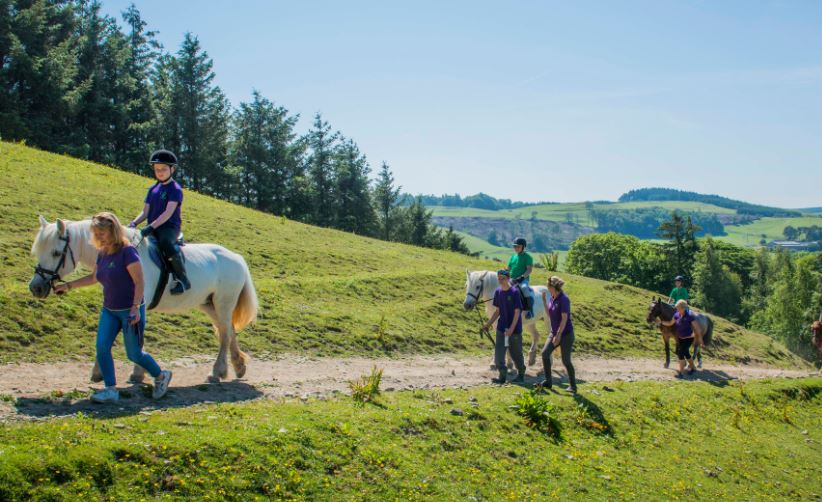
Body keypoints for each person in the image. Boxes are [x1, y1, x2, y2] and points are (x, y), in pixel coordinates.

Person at [54, 212, 172, 403]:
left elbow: (139, 282)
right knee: (102, 347)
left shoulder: (128, 252)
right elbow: (94, 278)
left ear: (113, 231)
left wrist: (135, 308)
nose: (99, 236)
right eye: (96, 233)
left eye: (102, 232)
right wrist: (67, 286)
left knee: (134, 354)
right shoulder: (102, 253)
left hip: (130, 311)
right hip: (110, 310)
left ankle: (161, 376)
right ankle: (110, 389)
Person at [129, 149, 190, 295]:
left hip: (169, 227)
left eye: (163, 169)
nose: (160, 172)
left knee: (166, 243)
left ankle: (182, 279)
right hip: (152, 227)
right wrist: (133, 223)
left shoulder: (175, 189)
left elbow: (168, 213)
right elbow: (145, 212)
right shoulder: (153, 189)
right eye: (157, 169)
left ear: (172, 169)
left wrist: (150, 227)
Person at [483, 269, 526, 384]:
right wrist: (488, 324)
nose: (501, 281)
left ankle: (521, 374)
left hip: (514, 330)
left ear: (508, 279)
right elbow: (497, 311)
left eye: (503, 278)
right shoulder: (498, 292)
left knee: (516, 353)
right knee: (499, 354)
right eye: (499, 279)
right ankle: (502, 376)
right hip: (502, 329)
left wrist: (512, 329)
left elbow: (517, 312)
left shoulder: (515, 292)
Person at [539, 276, 577, 393]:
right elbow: (550, 314)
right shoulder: (553, 298)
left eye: (548, 286)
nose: (547, 288)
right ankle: (548, 381)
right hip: (554, 332)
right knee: (545, 353)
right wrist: (545, 302)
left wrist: (559, 335)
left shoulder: (564, 299)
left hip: (565, 334)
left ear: (553, 287)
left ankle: (573, 386)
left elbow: (564, 319)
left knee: (566, 361)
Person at [658, 299, 704, 378]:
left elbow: (696, 328)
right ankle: (693, 368)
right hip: (681, 338)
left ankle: (681, 373)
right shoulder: (676, 315)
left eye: (678, 308)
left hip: (689, 338)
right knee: (686, 353)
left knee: (680, 353)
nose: (676, 309)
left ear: (683, 308)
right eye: (676, 308)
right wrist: (661, 322)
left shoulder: (689, 316)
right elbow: (670, 323)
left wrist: (698, 338)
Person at [508, 237, 535, 319]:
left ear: (523, 247)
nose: (516, 248)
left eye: (518, 246)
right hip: (512, 279)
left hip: (522, 280)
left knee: (524, 288)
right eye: (515, 246)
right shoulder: (512, 257)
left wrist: (522, 277)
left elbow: (529, 270)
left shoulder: (528, 257)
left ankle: (529, 310)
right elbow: (508, 269)